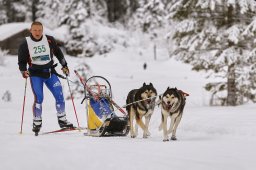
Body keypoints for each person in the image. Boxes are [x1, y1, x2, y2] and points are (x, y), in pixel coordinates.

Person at [18, 21, 73, 134]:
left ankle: (62, 120)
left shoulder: (49, 39)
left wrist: (65, 65)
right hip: (35, 75)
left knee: (59, 94)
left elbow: (58, 53)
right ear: (31, 30)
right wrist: (23, 71)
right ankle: (37, 122)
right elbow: (22, 61)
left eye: (39, 30)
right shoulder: (25, 43)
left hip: (50, 73)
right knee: (39, 98)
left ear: (42, 30)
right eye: (35, 30)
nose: (37, 32)